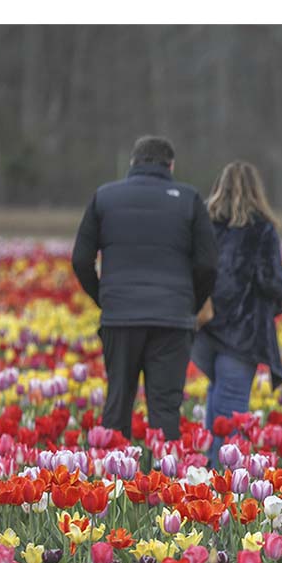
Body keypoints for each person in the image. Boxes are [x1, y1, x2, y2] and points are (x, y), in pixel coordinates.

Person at [71, 135, 218, 444]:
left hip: (120, 317)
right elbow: (208, 264)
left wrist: (104, 298)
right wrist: (190, 303)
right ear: (171, 165)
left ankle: (114, 483)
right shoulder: (189, 199)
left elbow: (81, 260)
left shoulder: (104, 197)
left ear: (132, 163)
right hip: (172, 320)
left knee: (118, 403)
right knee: (165, 407)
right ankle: (164, 484)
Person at [194, 160, 282, 466]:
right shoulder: (261, 229)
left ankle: (210, 474)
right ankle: (225, 478)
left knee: (217, 395)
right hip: (243, 331)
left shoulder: (203, 225)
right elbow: (271, 279)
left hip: (204, 326)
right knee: (234, 405)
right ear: (256, 191)